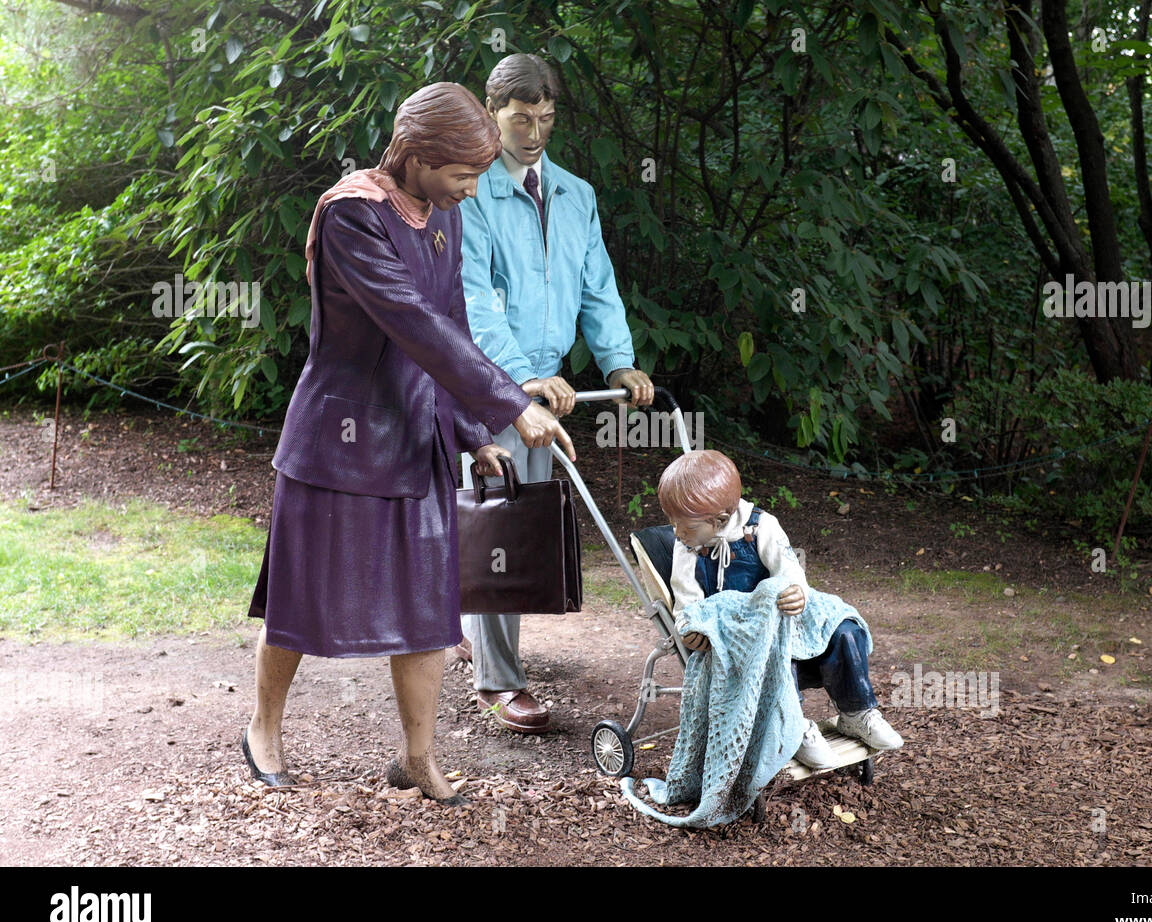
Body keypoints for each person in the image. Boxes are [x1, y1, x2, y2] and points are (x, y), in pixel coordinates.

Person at [243, 82, 575, 804]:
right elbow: (409, 322)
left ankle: (417, 758)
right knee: (301, 598)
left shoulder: (446, 217)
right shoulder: (350, 215)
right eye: (463, 175)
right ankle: (263, 729)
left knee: (429, 608)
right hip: (336, 441)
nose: (472, 189)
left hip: (417, 433)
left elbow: (449, 322)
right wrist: (514, 406)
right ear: (418, 156)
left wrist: (470, 430)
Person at [455, 53, 654, 734]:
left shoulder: (576, 194)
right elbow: (472, 297)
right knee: (497, 522)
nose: (534, 130)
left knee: (523, 519)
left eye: (545, 117)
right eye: (520, 117)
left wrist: (619, 363)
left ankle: (476, 627)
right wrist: (518, 376)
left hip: (556, 387)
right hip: (488, 380)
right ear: (492, 112)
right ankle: (500, 680)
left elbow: (597, 285)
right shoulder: (471, 191)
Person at [658, 450, 903, 767]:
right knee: (775, 649)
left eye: (684, 526)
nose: (676, 532)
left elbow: (789, 570)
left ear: (719, 520)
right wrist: (691, 627)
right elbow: (686, 600)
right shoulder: (688, 548)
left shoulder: (761, 527)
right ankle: (793, 729)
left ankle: (857, 711)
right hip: (738, 635)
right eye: (672, 523)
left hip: (781, 618)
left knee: (844, 629)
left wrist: (795, 592)